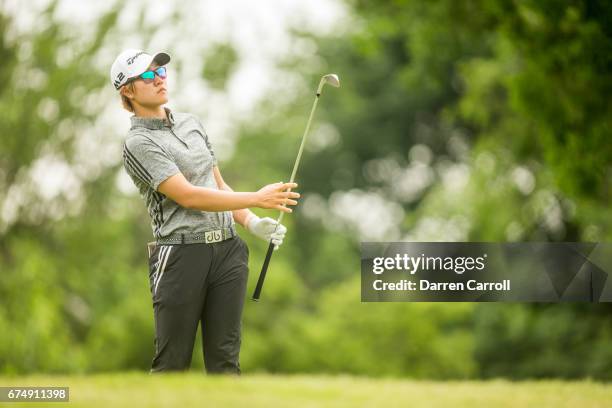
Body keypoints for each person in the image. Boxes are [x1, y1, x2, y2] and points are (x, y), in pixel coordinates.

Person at [110, 49, 300, 374]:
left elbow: (217, 185)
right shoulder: (137, 143)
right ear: (127, 90)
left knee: (226, 361)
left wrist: (251, 222)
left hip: (228, 251)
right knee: (172, 363)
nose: (159, 79)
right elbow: (189, 196)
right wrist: (256, 197)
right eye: (147, 76)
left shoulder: (190, 123)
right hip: (181, 256)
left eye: (161, 72)